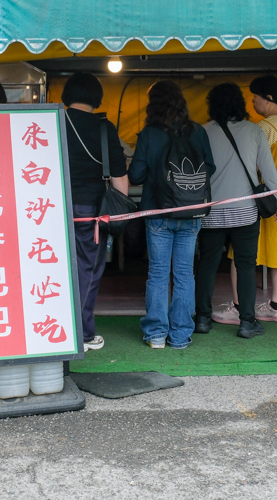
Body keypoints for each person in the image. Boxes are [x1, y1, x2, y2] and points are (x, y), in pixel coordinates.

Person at [128, 80, 213, 349]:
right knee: (185, 274)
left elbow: (136, 175)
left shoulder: (149, 134)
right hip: (191, 212)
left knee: (158, 273)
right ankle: (180, 336)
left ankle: (156, 335)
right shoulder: (197, 131)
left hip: (158, 211)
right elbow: (209, 167)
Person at [218, 76, 277, 324]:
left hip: (267, 196)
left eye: (254, 97)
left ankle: (238, 307)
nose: (252, 102)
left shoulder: (266, 128)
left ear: (267, 99)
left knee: (243, 251)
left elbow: (253, 164)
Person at [197, 82, 277, 339]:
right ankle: (247, 322)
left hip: (210, 212)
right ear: (240, 104)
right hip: (245, 212)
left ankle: (201, 319)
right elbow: (268, 171)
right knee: (246, 265)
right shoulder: (254, 131)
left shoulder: (202, 132)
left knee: (206, 265)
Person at [62, 73, 129, 352]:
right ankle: (82, 333)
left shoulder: (53, 121)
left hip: (50, 207)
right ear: (96, 97)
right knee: (88, 267)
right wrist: (120, 210)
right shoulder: (104, 127)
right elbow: (119, 178)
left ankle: (53, 329)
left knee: (52, 266)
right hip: (92, 210)